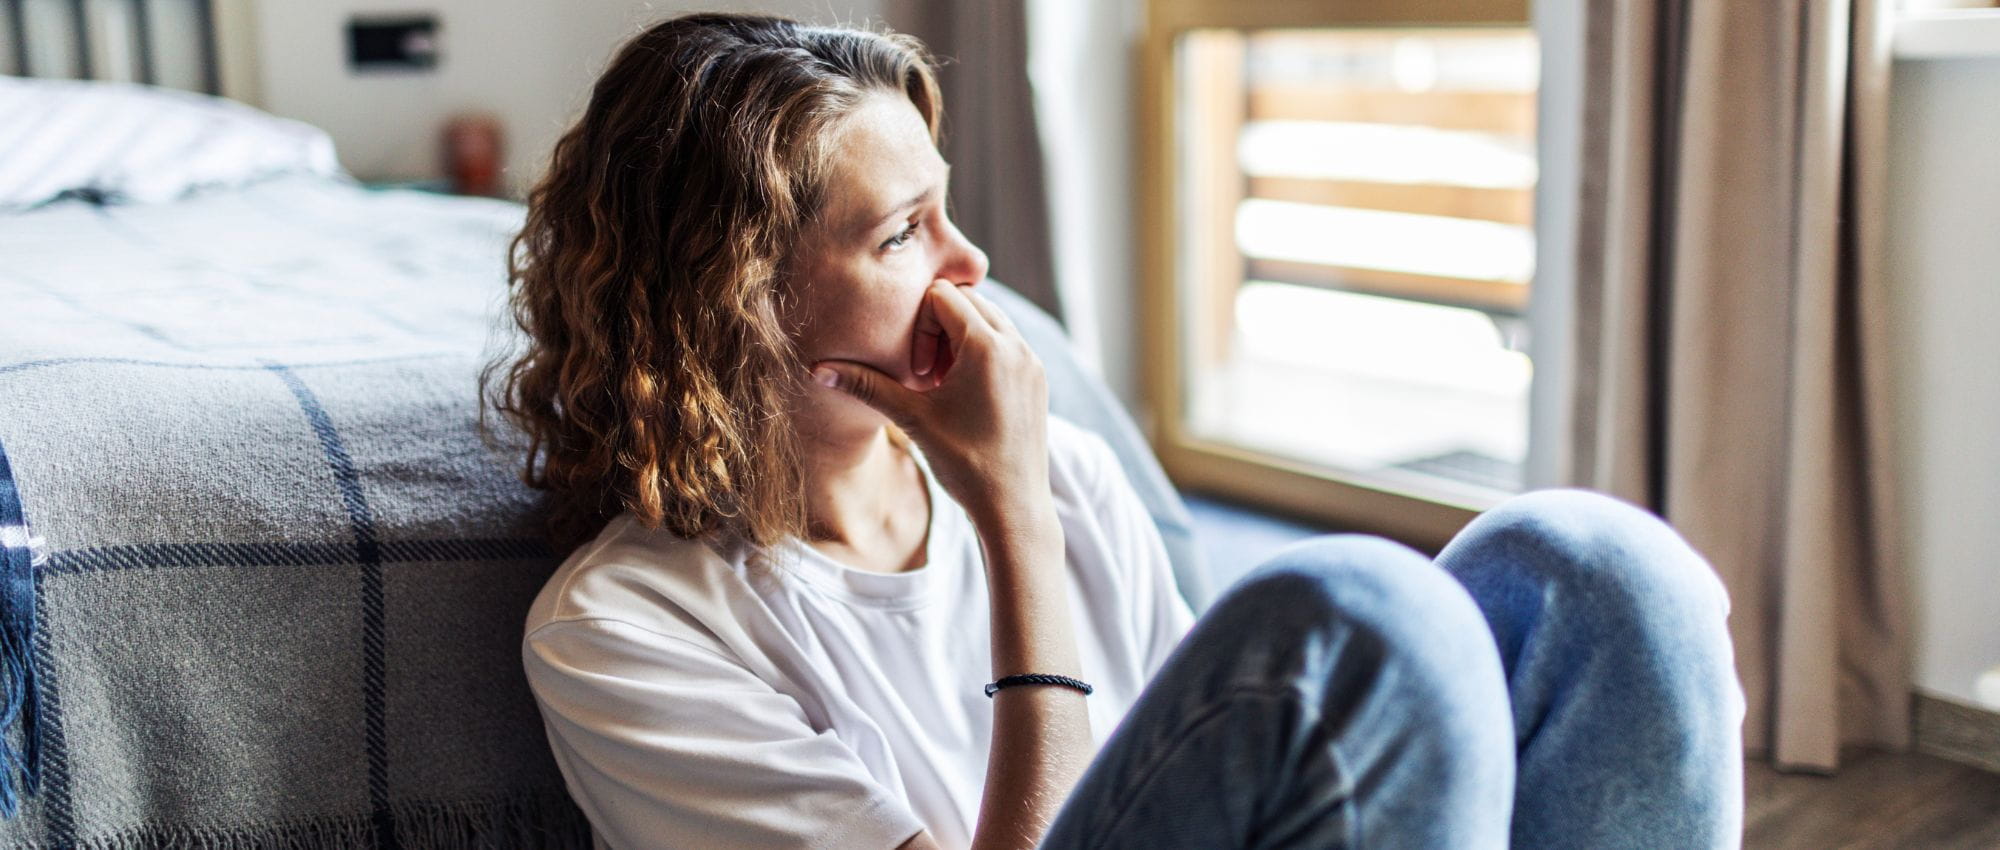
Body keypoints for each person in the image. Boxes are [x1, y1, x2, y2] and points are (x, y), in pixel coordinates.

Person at [482, 12, 1746, 850]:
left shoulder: (1068, 470)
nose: (969, 264)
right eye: (898, 233)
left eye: (949, 210)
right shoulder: (624, 632)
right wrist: (1014, 522)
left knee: (1589, 566)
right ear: (737, 302)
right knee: (1360, 609)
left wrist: (1032, 494)